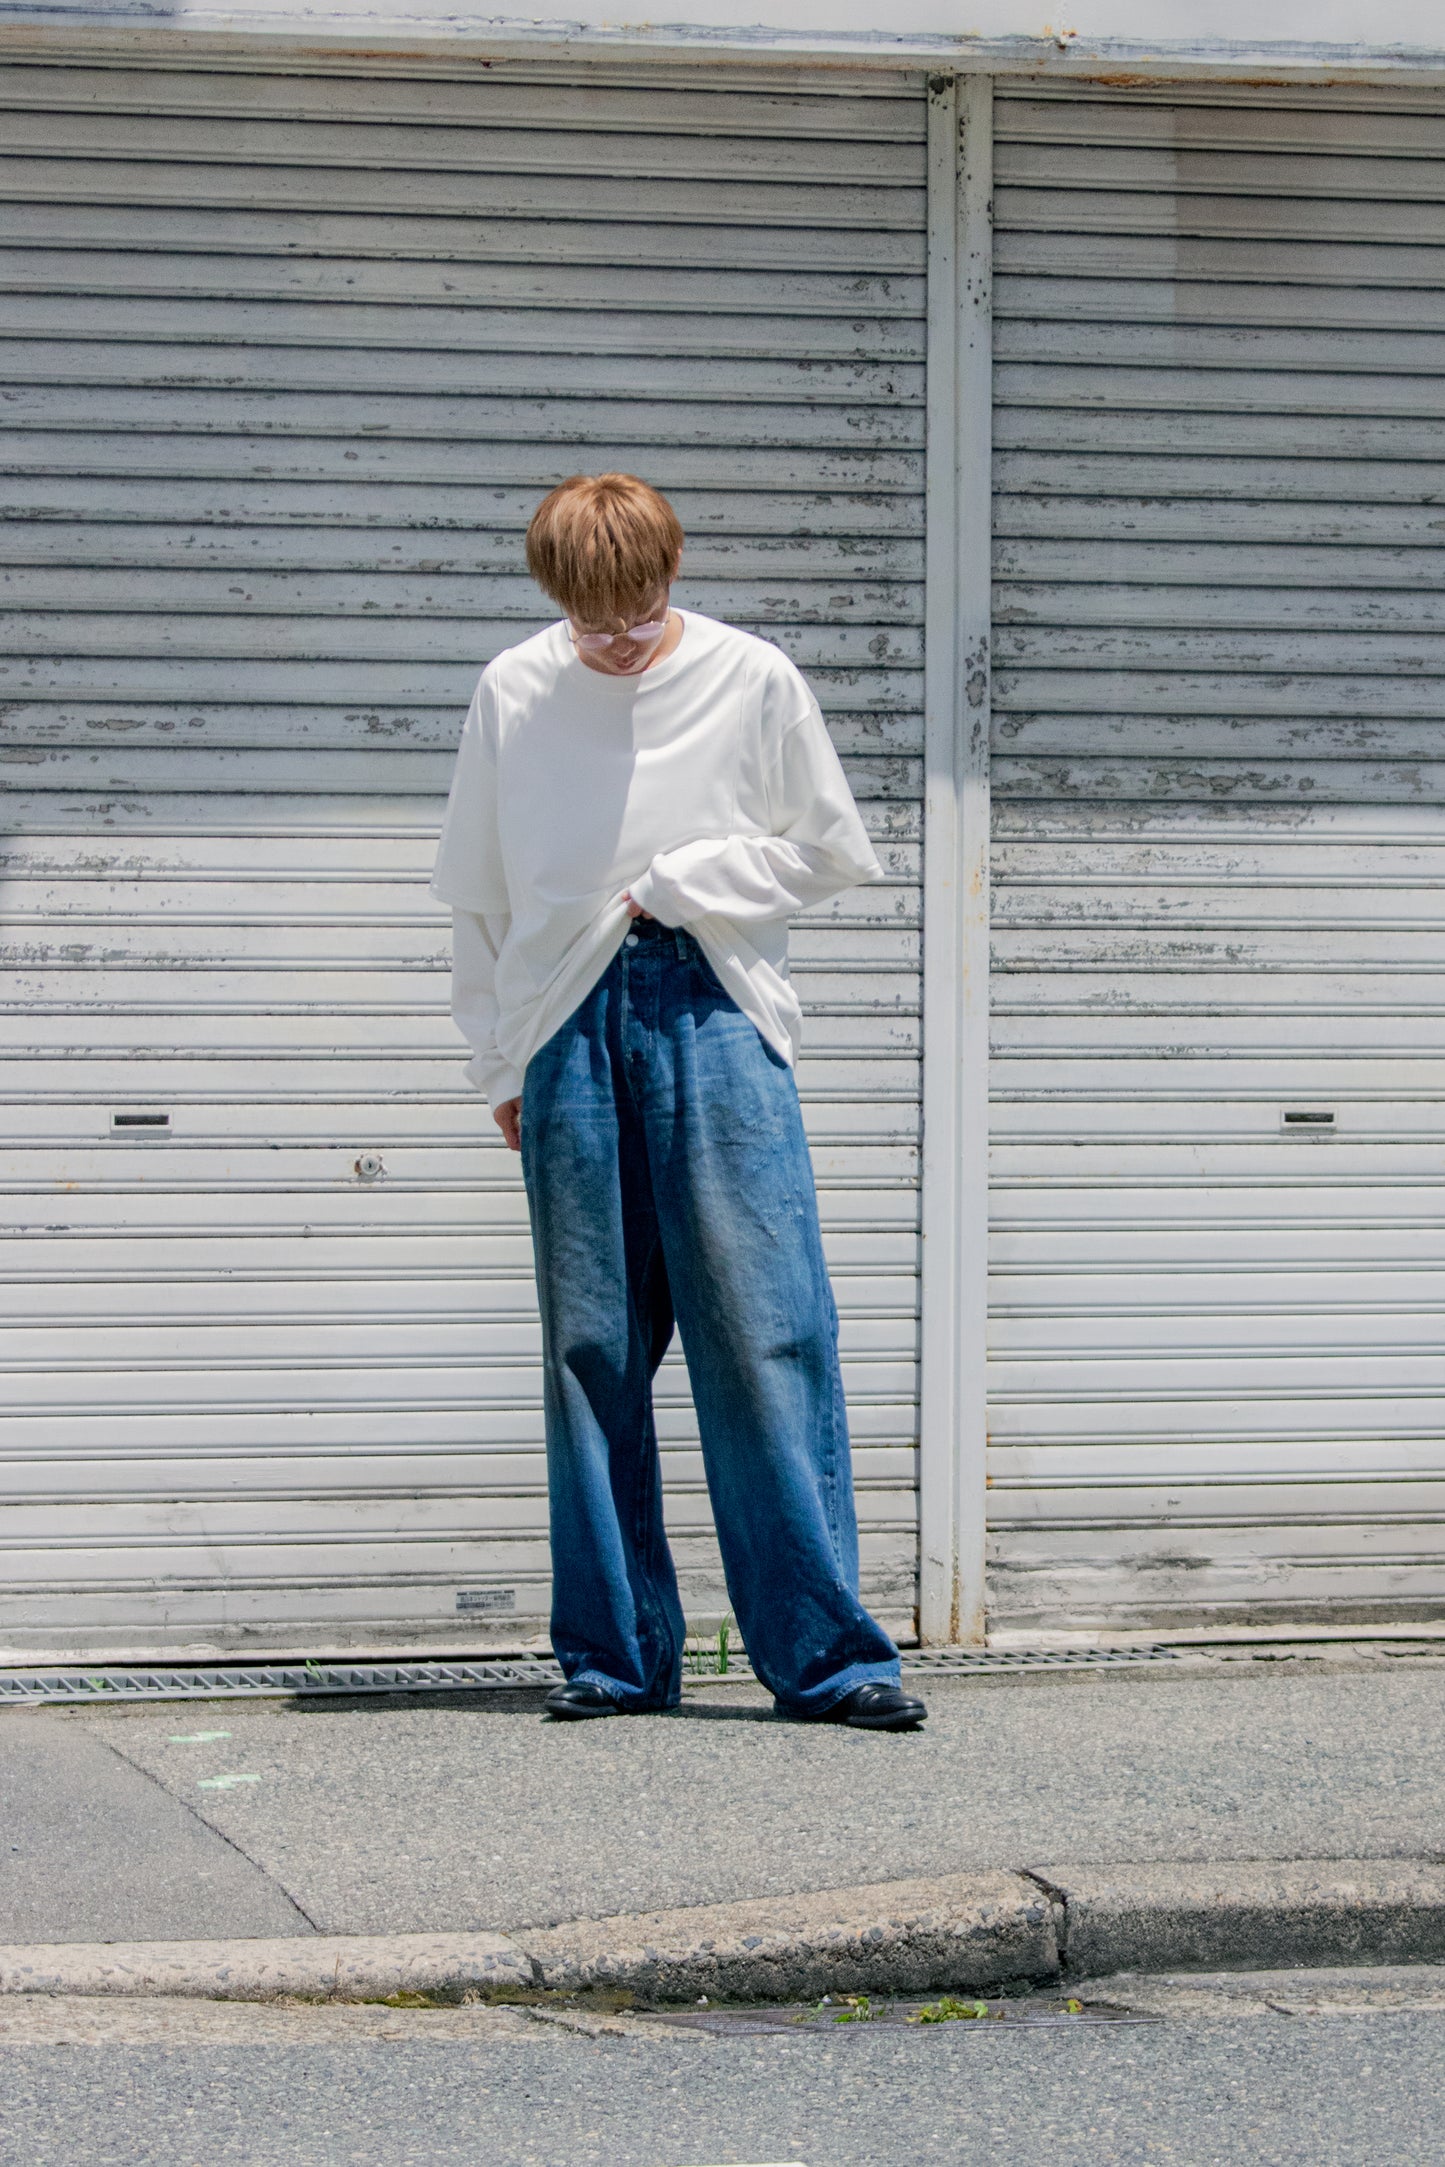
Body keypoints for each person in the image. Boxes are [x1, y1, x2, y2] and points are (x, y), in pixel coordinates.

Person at [430, 473, 926, 1732]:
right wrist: (499, 1066)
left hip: (713, 1007)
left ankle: (828, 1661)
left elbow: (832, 851)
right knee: (589, 1352)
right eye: (589, 620)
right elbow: (478, 900)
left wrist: (692, 875)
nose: (616, 639)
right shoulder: (513, 689)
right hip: (563, 1025)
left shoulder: (751, 677)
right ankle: (615, 1657)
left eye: (638, 610)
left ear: (671, 569)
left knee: (766, 1336)